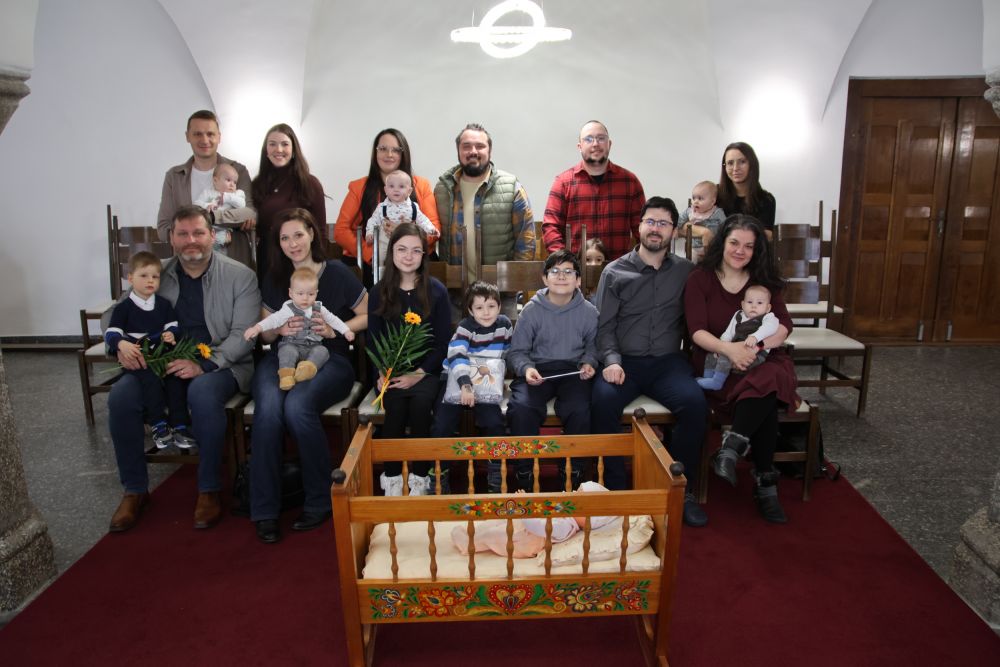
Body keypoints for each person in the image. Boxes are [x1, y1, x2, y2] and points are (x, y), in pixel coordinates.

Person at [108, 205, 259, 533]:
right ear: (172, 238)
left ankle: (208, 489)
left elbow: (244, 335)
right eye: (183, 234)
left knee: (202, 393)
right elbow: (114, 315)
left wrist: (203, 365)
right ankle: (134, 490)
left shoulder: (240, 275)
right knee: (121, 397)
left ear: (212, 235)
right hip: (158, 364)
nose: (191, 240)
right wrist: (120, 344)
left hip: (220, 364)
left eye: (198, 233)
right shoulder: (155, 273)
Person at [589, 196, 708, 527]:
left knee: (695, 404)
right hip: (624, 362)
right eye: (650, 221)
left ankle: (680, 491)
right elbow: (604, 326)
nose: (656, 229)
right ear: (639, 227)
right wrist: (611, 361)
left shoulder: (686, 272)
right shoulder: (614, 272)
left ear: (674, 231)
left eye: (664, 223)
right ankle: (615, 490)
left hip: (668, 363)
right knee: (602, 400)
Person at [250, 208, 367, 544]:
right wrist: (277, 330)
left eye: (298, 235)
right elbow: (265, 334)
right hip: (284, 356)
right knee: (268, 410)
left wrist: (334, 330)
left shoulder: (338, 273)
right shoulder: (275, 278)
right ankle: (265, 509)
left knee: (298, 406)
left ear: (312, 234)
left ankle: (320, 500)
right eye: (285, 238)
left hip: (330, 358)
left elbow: (367, 314)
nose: (292, 244)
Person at [685, 215, 799, 524]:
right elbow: (696, 331)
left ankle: (731, 449)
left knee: (767, 377)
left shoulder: (763, 281)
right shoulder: (700, 279)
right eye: (734, 242)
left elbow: (783, 327)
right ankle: (765, 483)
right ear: (722, 242)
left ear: (756, 250)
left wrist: (753, 349)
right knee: (765, 393)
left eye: (749, 246)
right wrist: (730, 350)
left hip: (761, 358)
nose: (740, 250)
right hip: (718, 360)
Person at [368, 223, 451, 496]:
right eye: (402, 249)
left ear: (424, 255)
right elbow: (373, 340)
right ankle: (392, 480)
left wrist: (419, 373)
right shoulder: (379, 292)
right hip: (391, 370)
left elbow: (443, 343)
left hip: (426, 370)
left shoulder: (436, 291)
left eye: (416, 250)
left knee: (420, 405)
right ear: (391, 252)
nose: (408, 256)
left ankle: (419, 479)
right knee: (394, 408)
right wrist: (381, 372)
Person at [506, 250, 599, 493]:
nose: (561, 276)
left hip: (573, 372)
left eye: (568, 271)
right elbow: (517, 352)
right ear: (545, 278)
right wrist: (526, 369)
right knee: (522, 407)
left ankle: (573, 471)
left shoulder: (589, 312)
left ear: (578, 280)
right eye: (555, 271)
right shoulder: (531, 310)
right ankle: (524, 471)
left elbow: (593, 347)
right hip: (538, 370)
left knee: (580, 409)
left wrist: (589, 363)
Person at [429, 281, 513, 493]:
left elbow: (507, 354)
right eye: (479, 307)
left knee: (494, 422)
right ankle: (439, 475)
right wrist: (466, 385)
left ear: (499, 307)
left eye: (491, 306)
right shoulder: (465, 327)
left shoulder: (504, 325)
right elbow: (456, 356)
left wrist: (502, 378)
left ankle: (496, 475)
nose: (486, 312)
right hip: (457, 380)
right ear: (470, 310)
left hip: (486, 383)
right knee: (442, 425)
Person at [104, 251, 190, 452]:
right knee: (150, 382)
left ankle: (180, 425)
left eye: (155, 276)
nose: (150, 281)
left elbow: (173, 326)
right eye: (144, 276)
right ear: (130, 278)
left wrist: (170, 334)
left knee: (175, 379)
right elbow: (112, 333)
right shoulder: (124, 308)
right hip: (139, 359)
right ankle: (158, 424)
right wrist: (121, 344)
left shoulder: (163, 305)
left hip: (161, 356)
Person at [333, 128, 441, 284]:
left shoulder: (422, 186)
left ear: (403, 154)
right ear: (375, 153)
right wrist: (372, 253)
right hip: (371, 262)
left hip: (415, 260)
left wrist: (408, 236)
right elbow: (340, 230)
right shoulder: (358, 187)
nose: (389, 154)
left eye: (395, 150)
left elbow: (434, 230)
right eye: (383, 148)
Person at [434, 123, 535, 283]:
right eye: (466, 146)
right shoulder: (442, 190)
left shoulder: (511, 187)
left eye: (480, 146)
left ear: (489, 151)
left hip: (499, 291)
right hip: (453, 291)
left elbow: (526, 242)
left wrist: (513, 285)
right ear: (458, 150)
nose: (473, 151)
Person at [156, 110, 256, 268]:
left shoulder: (238, 171)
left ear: (219, 137)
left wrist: (213, 217)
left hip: (233, 263)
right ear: (187, 136)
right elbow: (163, 228)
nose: (204, 140)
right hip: (188, 266)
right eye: (197, 134)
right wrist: (194, 239)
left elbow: (250, 214)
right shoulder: (174, 177)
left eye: (210, 134)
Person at [542, 120, 645, 261]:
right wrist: (566, 264)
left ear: (609, 144)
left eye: (601, 138)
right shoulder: (563, 183)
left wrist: (638, 264)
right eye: (589, 139)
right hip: (576, 270)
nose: (595, 144)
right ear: (580, 146)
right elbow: (551, 228)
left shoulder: (630, 182)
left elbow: (642, 229)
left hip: (620, 270)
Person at [244, 266, 355, 391]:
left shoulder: (319, 308)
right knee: (286, 352)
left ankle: (308, 369)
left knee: (323, 351)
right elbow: (273, 320)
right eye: (300, 293)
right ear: (291, 293)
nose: (305, 298)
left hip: (313, 346)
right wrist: (257, 328)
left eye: (310, 294)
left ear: (316, 293)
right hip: (292, 344)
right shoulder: (288, 309)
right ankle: (286, 375)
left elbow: (333, 320)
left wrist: (346, 330)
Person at [451, 481, 615, 557]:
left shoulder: (565, 526)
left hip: (525, 541)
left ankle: (468, 544)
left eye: (577, 497)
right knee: (498, 522)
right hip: (525, 528)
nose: (571, 495)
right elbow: (541, 510)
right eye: (575, 491)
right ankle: (476, 532)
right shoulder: (564, 514)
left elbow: (538, 527)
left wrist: (525, 510)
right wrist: (528, 502)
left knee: (494, 536)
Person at [250, 123, 327, 280]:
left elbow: (321, 231)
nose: (278, 149)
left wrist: (317, 266)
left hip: (303, 263)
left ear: (293, 150)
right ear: (266, 150)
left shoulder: (310, 183)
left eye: (285, 144)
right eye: (272, 144)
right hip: (268, 262)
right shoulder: (257, 184)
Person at [696, 284, 778, 390]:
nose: (754, 306)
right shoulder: (739, 315)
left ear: (768, 308)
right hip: (735, 348)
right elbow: (729, 333)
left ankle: (717, 382)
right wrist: (721, 347)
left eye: (759, 303)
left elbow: (770, 328)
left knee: (725, 358)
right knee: (712, 355)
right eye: (750, 302)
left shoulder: (768, 318)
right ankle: (708, 378)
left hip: (755, 355)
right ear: (743, 305)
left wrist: (755, 337)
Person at [364, 170, 439, 271]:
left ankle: (411, 275)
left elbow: (423, 220)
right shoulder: (381, 207)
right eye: (391, 186)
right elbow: (373, 221)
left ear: (409, 191)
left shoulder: (413, 207)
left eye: (401, 186)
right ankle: (379, 274)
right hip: (385, 240)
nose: (396, 190)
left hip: (407, 242)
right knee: (379, 256)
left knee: (410, 259)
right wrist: (369, 233)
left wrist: (431, 229)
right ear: (385, 190)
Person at [717, 142, 776, 235]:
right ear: (725, 167)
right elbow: (691, 223)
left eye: (742, 162)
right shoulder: (714, 194)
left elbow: (766, 235)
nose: (735, 168)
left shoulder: (766, 199)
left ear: (752, 164)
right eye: (730, 163)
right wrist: (704, 231)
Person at [194, 162, 247, 256]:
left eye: (235, 182)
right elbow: (196, 204)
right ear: (215, 180)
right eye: (228, 180)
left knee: (220, 249)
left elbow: (242, 205)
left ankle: (217, 251)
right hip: (208, 227)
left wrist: (227, 197)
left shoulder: (237, 194)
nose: (232, 184)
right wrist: (206, 206)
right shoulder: (208, 193)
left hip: (224, 228)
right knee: (204, 242)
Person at [678, 180, 726, 257]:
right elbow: (679, 220)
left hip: (712, 247)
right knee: (691, 258)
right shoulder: (690, 211)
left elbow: (726, 226)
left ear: (712, 201)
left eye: (700, 199)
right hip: (694, 247)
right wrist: (674, 229)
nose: (696, 202)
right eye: (694, 198)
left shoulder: (717, 212)